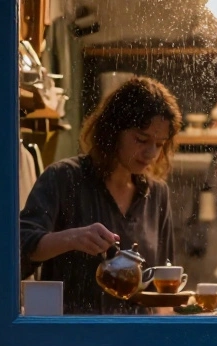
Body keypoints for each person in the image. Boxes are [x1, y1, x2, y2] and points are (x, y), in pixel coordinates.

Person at [20, 77, 180, 314]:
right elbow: (19, 250)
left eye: (160, 144)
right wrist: (71, 239)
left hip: (139, 340)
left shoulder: (157, 194)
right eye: (142, 139)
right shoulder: (64, 178)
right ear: (114, 130)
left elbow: (163, 284)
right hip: (74, 338)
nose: (151, 153)